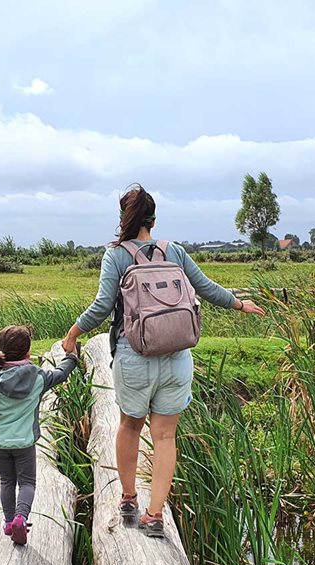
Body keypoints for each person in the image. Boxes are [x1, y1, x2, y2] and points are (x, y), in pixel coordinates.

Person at [60, 184, 265, 538]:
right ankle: (154, 515)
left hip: (134, 354)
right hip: (177, 357)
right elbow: (207, 288)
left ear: (124, 218)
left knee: (129, 427)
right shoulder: (175, 252)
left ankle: (128, 499)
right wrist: (239, 304)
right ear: (153, 219)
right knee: (165, 435)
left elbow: (101, 308)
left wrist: (73, 334)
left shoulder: (117, 256)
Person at [0, 325, 80, 545]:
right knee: (27, 483)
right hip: (25, 443)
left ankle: (7, 522)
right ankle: (21, 518)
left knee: (6, 481)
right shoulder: (38, 378)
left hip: (1, 443)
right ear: (28, 352)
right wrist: (71, 357)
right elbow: (61, 374)